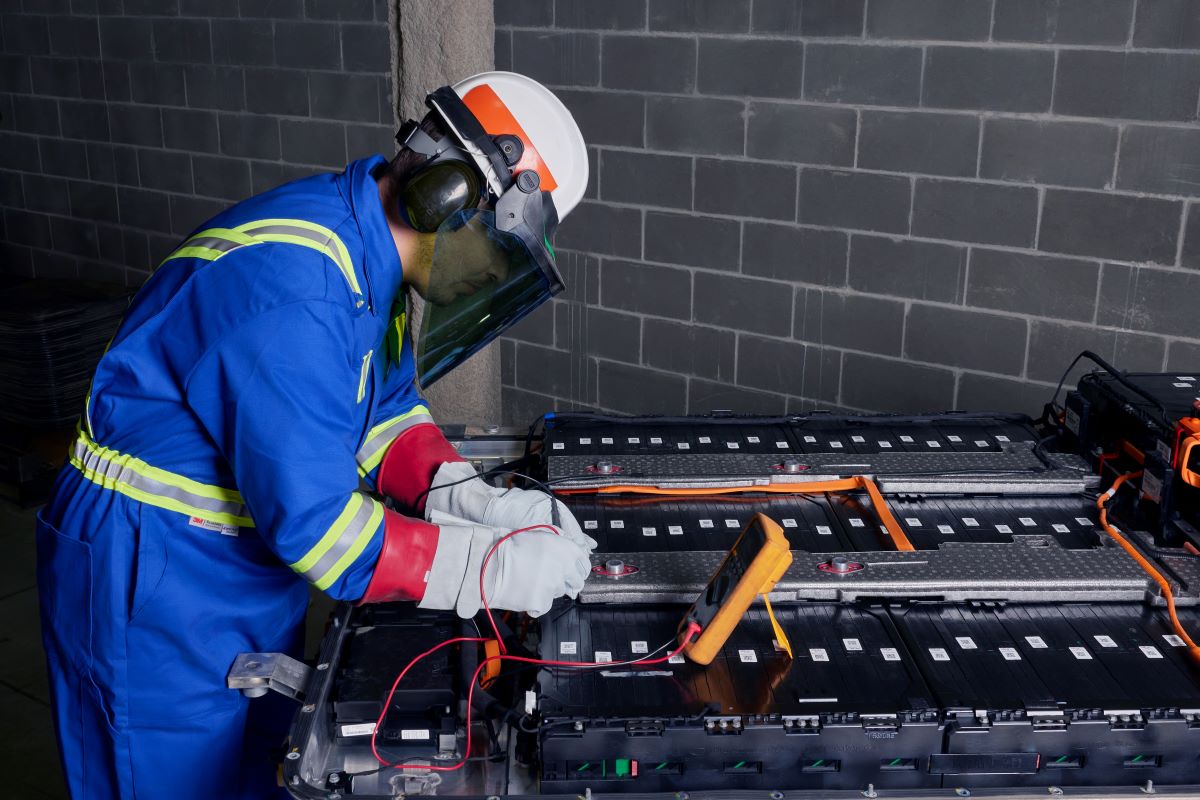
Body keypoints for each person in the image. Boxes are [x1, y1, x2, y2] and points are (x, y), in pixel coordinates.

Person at [35, 71, 593, 799]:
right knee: (168, 781)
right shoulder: (299, 288)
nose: (493, 272)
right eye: (504, 248)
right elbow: (321, 527)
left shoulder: (365, 253)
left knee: (259, 770)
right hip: (151, 577)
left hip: (241, 564)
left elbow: (382, 408)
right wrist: (481, 572)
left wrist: (467, 496)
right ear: (453, 196)